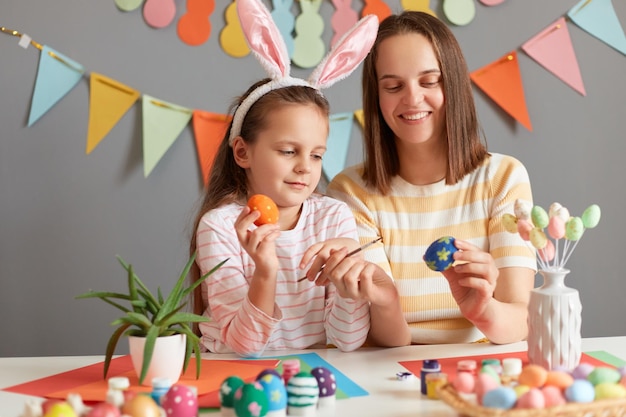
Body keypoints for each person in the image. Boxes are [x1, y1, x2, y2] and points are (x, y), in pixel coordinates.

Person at [325, 11, 537, 347]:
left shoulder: (504, 178)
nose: (412, 99)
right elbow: (381, 335)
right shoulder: (350, 192)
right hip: (387, 368)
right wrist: (385, 301)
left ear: (452, 83)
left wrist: (484, 310)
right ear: (376, 98)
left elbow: (521, 318)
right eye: (393, 86)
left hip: (479, 372)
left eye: (429, 81)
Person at [188, 0, 380, 357]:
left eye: (317, 154)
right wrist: (265, 271)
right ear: (243, 152)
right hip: (233, 373)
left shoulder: (332, 218)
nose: (305, 167)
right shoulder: (220, 226)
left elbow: (348, 340)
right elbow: (245, 348)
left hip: (310, 373)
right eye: (288, 151)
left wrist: (346, 283)